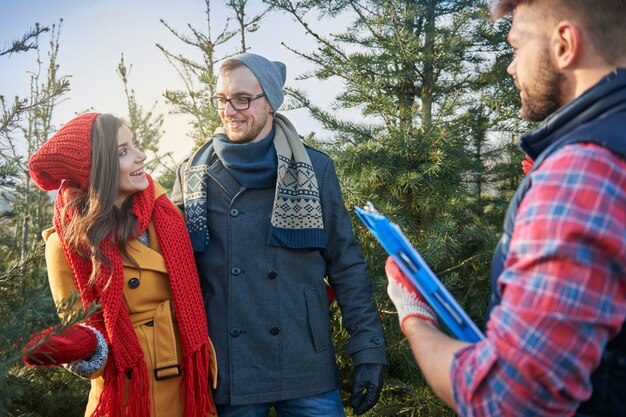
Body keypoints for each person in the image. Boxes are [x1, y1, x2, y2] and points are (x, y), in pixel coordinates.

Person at [384, 1, 626, 416]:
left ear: (565, 44)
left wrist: (414, 315)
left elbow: (506, 398)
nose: (511, 68)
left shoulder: (582, 168)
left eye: (516, 47)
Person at [171, 53, 387, 417]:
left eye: (242, 98)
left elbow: (346, 265)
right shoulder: (193, 175)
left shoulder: (315, 169)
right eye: (222, 99)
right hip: (230, 370)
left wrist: (368, 348)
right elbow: (172, 269)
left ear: (271, 102)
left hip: (305, 364)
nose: (229, 110)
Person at [24, 113, 218, 417]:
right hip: (131, 397)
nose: (142, 156)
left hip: (191, 391)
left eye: (135, 145)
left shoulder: (164, 214)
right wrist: (81, 345)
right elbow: (93, 353)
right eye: (123, 152)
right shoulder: (66, 246)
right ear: (96, 170)